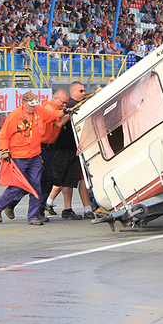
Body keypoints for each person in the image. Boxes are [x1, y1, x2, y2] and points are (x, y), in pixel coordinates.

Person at [0, 92, 69, 226]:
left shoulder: (38, 111)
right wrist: (4, 150)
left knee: (36, 185)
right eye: (31, 105)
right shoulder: (14, 116)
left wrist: (65, 111)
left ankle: (33, 216)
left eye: (34, 105)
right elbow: (3, 135)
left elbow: (52, 115)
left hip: (34, 156)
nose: (33, 108)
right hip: (18, 156)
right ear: (23, 103)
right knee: (16, 186)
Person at [46, 81, 95, 220]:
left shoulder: (76, 104)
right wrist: (72, 112)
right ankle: (46, 202)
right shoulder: (66, 105)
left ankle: (67, 209)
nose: (83, 93)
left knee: (69, 180)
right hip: (60, 147)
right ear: (72, 92)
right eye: (80, 91)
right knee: (58, 180)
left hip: (73, 148)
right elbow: (59, 122)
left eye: (84, 91)